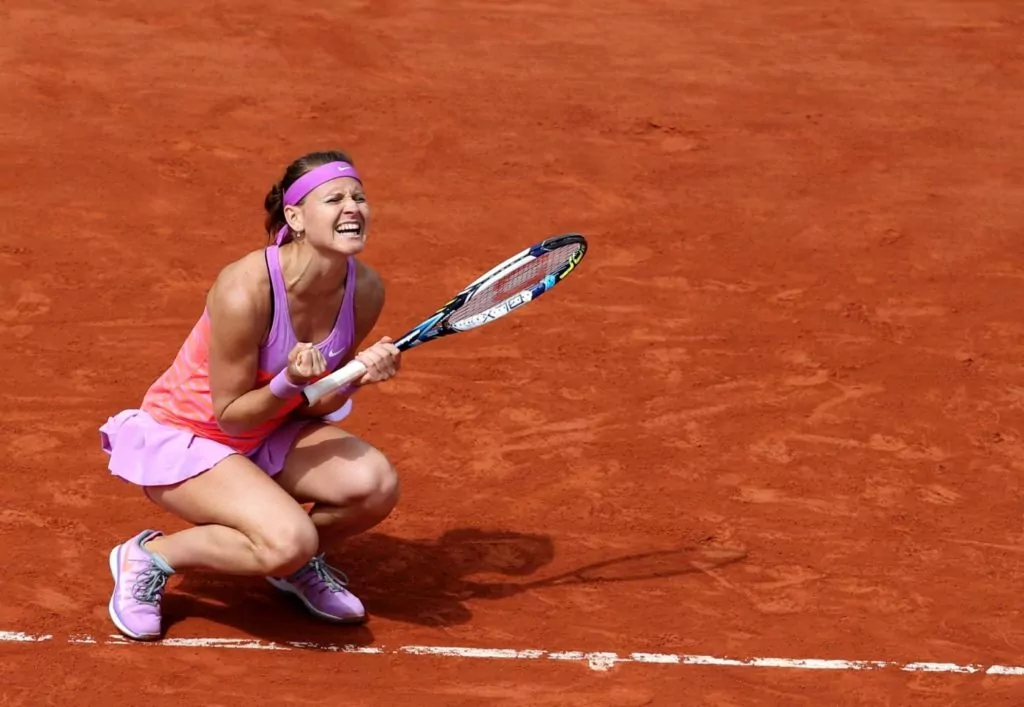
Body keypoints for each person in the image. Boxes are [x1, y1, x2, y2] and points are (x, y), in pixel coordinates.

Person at [98, 149, 402, 641]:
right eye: (334, 199)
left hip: (269, 432)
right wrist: (290, 382)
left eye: (359, 197)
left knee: (376, 484)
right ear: (295, 218)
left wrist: (354, 378)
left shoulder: (364, 290)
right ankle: (151, 556)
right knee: (289, 539)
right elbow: (232, 416)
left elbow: (318, 402)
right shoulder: (245, 289)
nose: (353, 207)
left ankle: (292, 564)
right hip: (192, 437)